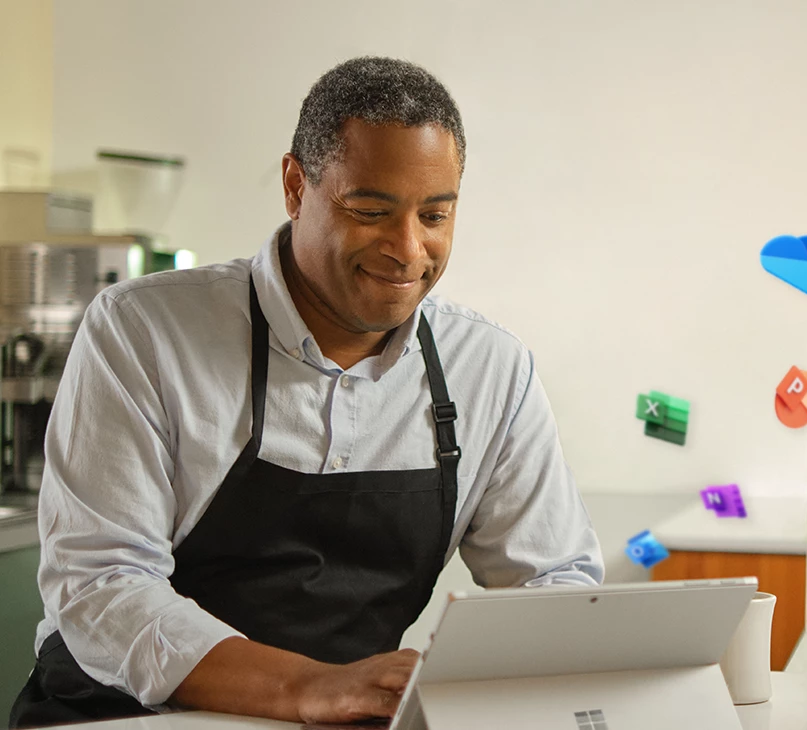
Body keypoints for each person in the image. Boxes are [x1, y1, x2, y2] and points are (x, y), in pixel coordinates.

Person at [9, 56, 603, 729]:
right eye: (371, 211)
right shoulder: (144, 330)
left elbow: (556, 583)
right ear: (296, 186)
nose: (408, 250)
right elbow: (102, 586)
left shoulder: (490, 368)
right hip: (118, 716)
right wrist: (308, 688)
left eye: (435, 215)